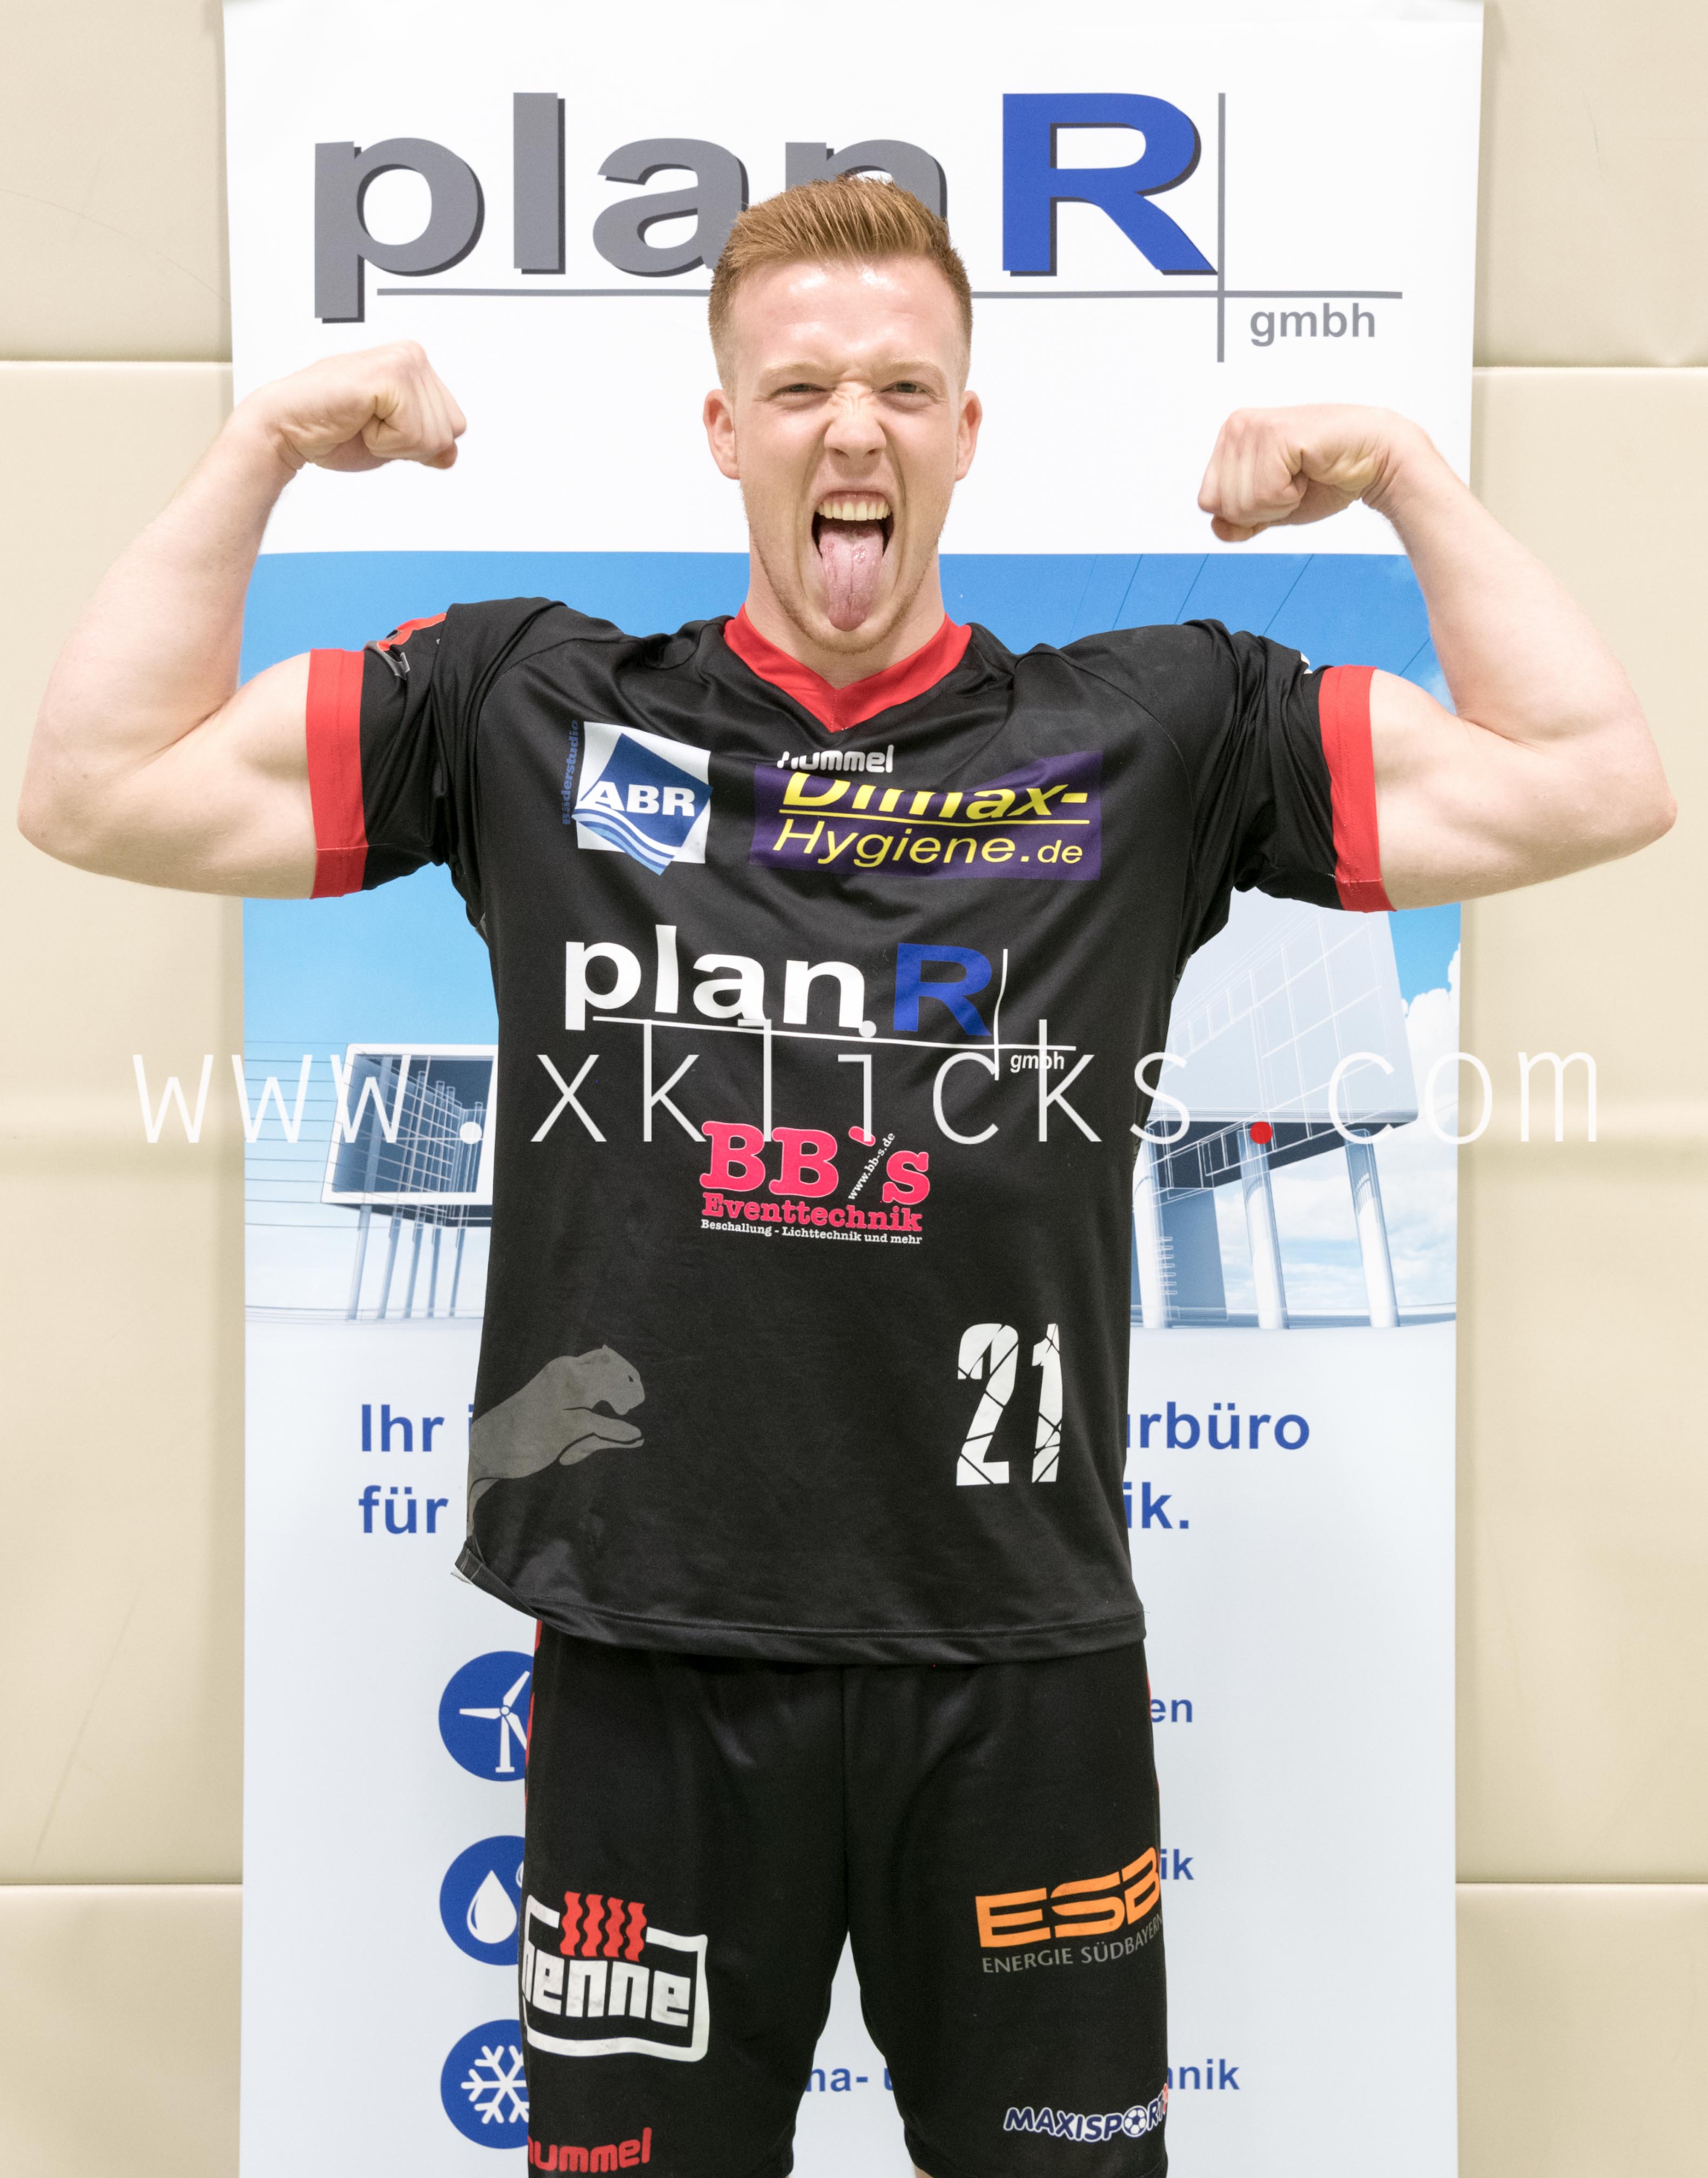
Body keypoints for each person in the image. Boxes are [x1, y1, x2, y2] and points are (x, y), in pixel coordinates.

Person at [18, 178, 1671, 2177]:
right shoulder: (534, 708)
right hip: (650, 1661)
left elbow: (1593, 778)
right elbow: (96, 786)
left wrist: (1406, 470)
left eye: (902, 386)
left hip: (1017, 1669)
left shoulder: (1152, 731)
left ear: (965, 431)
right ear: (727, 431)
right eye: (800, 389)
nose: (852, 430)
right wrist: (261, 447)